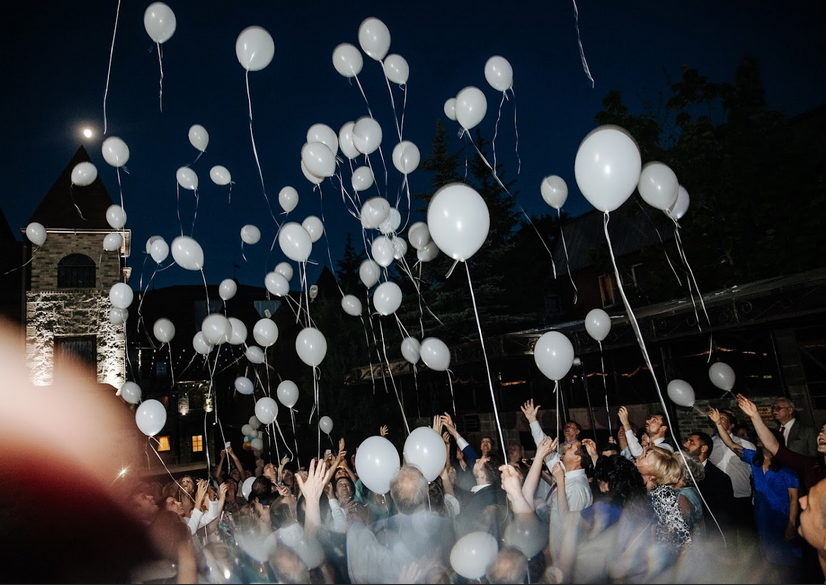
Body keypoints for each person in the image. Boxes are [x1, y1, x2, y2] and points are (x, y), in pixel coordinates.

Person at [709, 406, 805, 583]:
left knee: (789, 558)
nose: (759, 438)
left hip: (783, 515)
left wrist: (791, 523)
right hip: (762, 513)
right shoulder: (754, 458)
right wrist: (718, 424)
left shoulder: (787, 467)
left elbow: (793, 498)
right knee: (768, 555)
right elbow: (730, 444)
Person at [707, 405, 758, 548]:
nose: (719, 419)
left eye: (723, 418)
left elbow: (754, 473)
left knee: (748, 537)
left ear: (732, 424)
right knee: (727, 538)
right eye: (718, 418)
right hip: (720, 499)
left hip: (741, 497)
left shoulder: (745, 445)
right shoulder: (710, 445)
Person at [683, 430, 735, 547]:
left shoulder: (719, 478)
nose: (685, 444)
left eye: (691, 442)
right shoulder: (681, 473)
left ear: (703, 448)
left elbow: (725, 516)